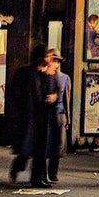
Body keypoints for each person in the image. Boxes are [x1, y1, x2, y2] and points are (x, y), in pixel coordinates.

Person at [7, 44, 47, 184]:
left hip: (39, 117)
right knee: (26, 150)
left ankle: (37, 179)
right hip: (27, 117)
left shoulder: (43, 75)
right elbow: (15, 93)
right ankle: (17, 167)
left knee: (39, 151)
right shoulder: (25, 72)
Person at [44, 50, 71, 184]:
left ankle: (53, 173)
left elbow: (67, 98)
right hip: (46, 115)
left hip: (59, 114)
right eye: (54, 60)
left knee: (57, 145)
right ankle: (44, 174)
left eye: (58, 61)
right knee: (45, 144)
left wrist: (68, 118)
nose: (56, 63)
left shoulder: (64, 78)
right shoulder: (45, 75)